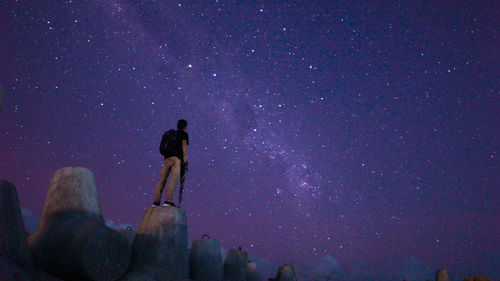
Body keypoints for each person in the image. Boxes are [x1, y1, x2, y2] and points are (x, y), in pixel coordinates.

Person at [153, 119, 189, 207]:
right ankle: (168, 201)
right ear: (185, 126)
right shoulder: (184, 134)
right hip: (176, 160)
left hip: (166, 159)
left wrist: (165, 157)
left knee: (161, 180)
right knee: (173, 180)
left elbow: (163, 147)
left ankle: (156, 201)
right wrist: (184, 158)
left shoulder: (171, 134)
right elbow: (184, 144)